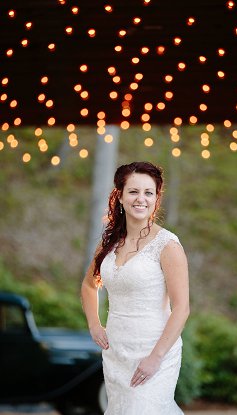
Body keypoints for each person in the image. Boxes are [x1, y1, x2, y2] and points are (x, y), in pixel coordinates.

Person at [81, 161, 190, 414]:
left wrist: (155, 358)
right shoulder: (109, 245)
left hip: (155, 350)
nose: (141, 199)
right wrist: (94, 324)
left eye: (148, 193)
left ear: (156, 199)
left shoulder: (168, 245)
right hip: (117, 350)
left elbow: (182, 308)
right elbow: (89, 285)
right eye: (133, 191)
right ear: (120, 196)